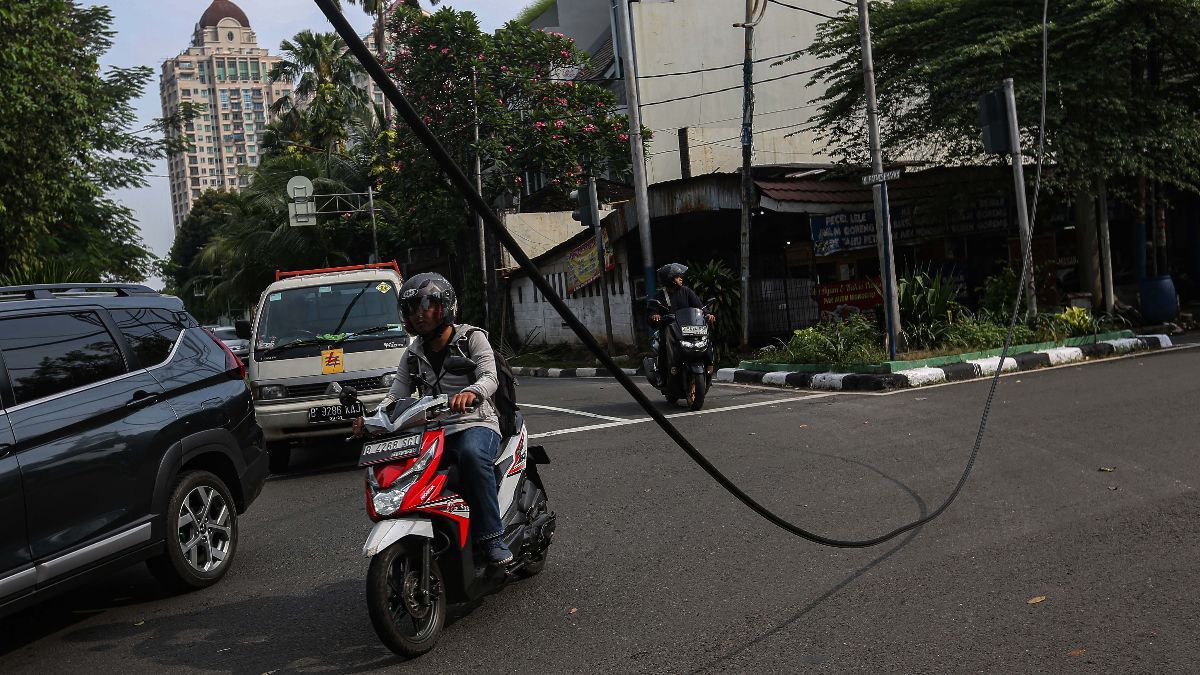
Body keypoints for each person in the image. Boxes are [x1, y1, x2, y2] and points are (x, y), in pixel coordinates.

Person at [352, 272, 512, 565]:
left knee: (472, 455)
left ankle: (492, 538)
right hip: (433, 432)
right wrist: (372, 418)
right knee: (412, 475)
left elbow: (490, 377)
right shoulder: (412, 355)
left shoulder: (472, 338)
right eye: (413, 309)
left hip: (475, 423)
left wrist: (472, 392)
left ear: (445, 305)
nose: (419, 314)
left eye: (426, 306)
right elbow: (395, 397)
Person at [647, 263, 715, 385]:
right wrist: (655, 316)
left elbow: (699, 306)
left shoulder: (687, 292)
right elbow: (653, 312)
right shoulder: (659, 297)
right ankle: (662, 376)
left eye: (680, 276)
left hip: (688, 329)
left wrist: (707, 314)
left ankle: (708, 367)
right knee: (663, 347)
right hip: (670, 330)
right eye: (677, 277)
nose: (681, 278)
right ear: (670, 280)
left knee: (706, 341)